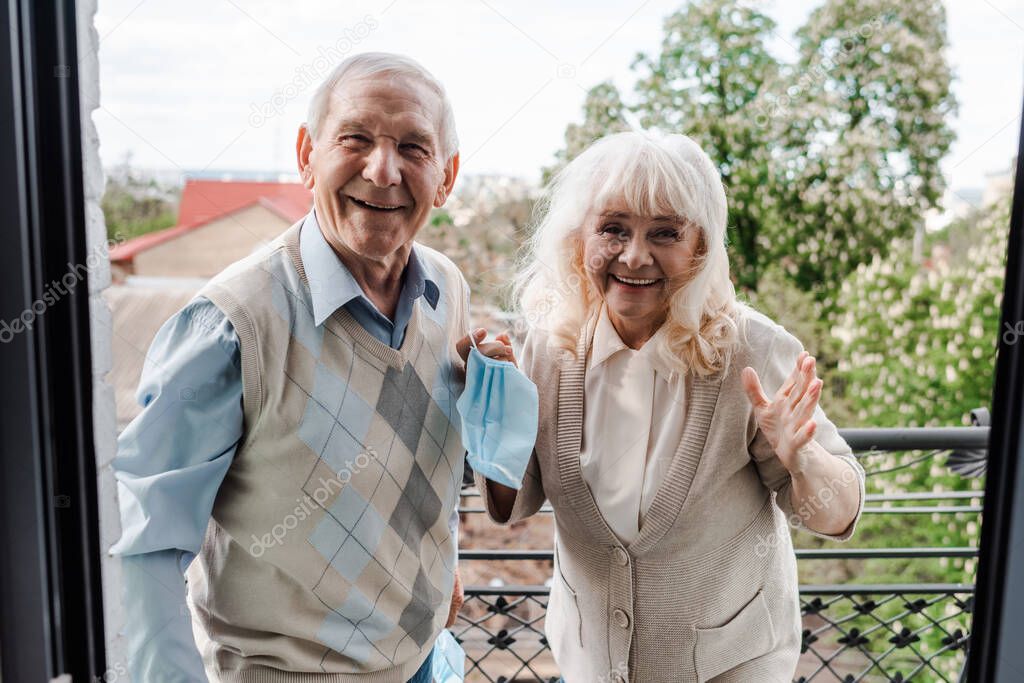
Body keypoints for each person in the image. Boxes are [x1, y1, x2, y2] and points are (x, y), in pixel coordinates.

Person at [110, 52, 508, 682]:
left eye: (413, 146)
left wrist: (434, 568)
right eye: (356, 138)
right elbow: (144, 547)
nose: (383, 170)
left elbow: (418, 460)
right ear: (307, 154)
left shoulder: (446, 290)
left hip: (428, 664)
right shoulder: (232, 323)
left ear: (448, 174)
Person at [470, 130, 866, 682]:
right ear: (577, 240)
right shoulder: (544, 351)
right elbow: (513, 504)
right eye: (613, 229)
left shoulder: (752, 349)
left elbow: (836, 512)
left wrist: (805, 462)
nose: (634, 256)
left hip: (731, 666)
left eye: (665, 233)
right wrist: (495, 411)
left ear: (700, 248)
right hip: (591, 663)